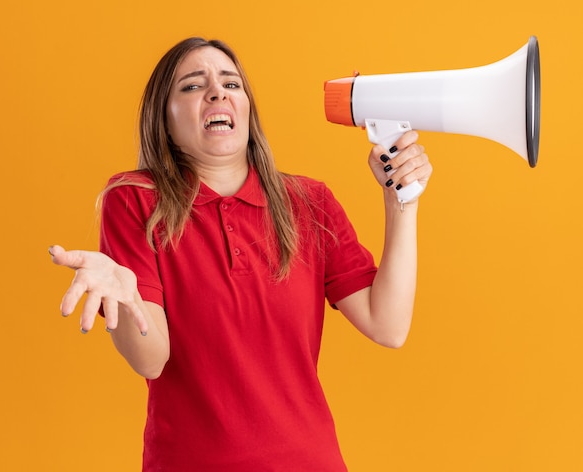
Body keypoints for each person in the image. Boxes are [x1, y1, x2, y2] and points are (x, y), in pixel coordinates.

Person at [49, 37, 432, 471]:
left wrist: (402, 202)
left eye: (231, 83)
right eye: (193, 86)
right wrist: (125, 296)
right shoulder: (136, 200)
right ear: (165, 120)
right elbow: (151, 360)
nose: (217, 91)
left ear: (247, 109)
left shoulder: (309, 202)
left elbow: (389, 325)